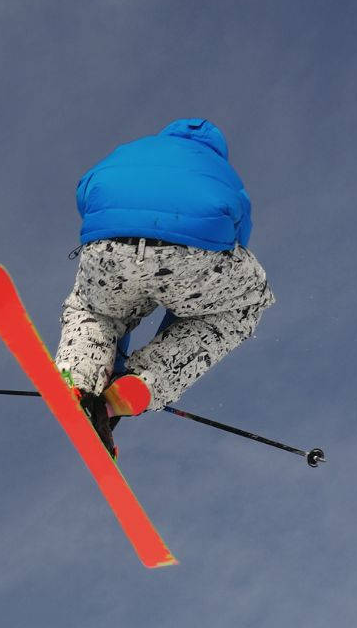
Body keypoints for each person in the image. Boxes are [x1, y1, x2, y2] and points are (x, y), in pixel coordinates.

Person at [55, 119, 275, 455]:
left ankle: (78, 377)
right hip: (191, 253)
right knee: (244, 303)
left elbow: (85, 193)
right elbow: (237, 236)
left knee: (94, 309)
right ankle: (145, 381)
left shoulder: (132, 150)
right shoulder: (221, 172)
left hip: (110, 247)